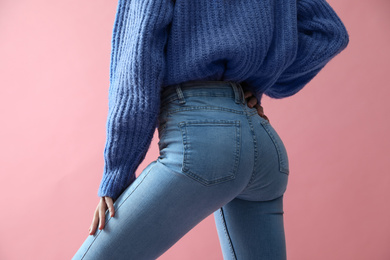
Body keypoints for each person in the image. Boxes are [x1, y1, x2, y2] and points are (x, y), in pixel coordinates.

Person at [73, 0, 349, 259]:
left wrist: (117, 172)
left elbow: (137, 64)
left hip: (203, 141)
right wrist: (258, 83)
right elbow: (329, 33)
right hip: (264, 147)